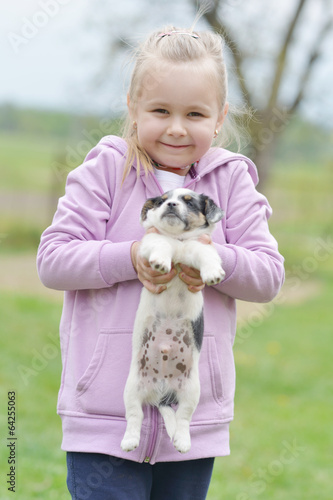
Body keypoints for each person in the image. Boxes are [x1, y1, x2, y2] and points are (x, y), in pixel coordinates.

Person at [37, 25, 284, 500]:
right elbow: (53, 259)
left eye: (194, 113)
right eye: (159, 110)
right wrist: (129, 256)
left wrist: (214, 260)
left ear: (219, 118)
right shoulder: (108, 169)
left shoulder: (232, 181)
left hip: (192, 419)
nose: (176, 127)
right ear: (132, 107)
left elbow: (268, 275)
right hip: (105, 419)